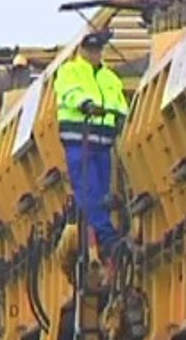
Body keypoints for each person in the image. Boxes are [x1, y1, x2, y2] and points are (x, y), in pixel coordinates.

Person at [53, 29, 130, 261]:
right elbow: (69, 93)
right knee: (89, 191)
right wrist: (85, 104)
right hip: (80, 141)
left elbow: (119, 103)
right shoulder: (69, 71)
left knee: (104, 193)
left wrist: (122, 117)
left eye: (98, 50)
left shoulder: (110, 78)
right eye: (91, 50)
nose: (94, 54)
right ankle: (108, 237)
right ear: (82, 50)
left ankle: (104, 236)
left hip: (104, 143)